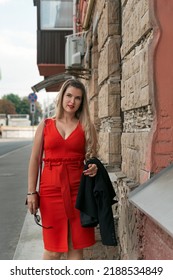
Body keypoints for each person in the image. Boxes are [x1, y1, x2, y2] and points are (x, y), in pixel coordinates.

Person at [27, 79, 99, 260]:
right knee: (53, 250)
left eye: (78, 98)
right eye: (69, 95)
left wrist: (94, 167)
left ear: (82, 102)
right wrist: (31, 192)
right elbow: (35, 160)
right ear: (61, 97)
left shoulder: (87, 126)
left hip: (78, 192)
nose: (72, 101)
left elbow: (93, 159)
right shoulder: (46, 125)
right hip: (50, 192)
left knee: (76, 247)